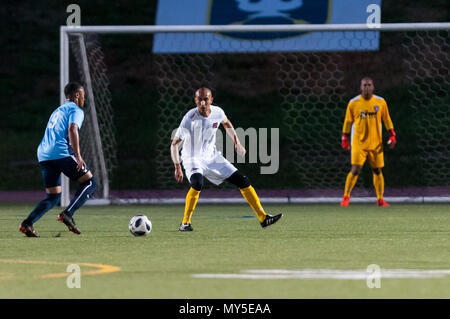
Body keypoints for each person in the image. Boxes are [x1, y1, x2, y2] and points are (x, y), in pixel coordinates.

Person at [170, 87, 283, 231]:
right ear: (195, 100)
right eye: (200, 100)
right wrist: (177, 166)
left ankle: (263, 217)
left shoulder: (218, 112)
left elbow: (226, 123)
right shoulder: (189, 118)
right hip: (192, 158)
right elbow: (174, 144)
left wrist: (237, 142)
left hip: (212, 156)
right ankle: (185, 223)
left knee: (243, 180)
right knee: (197, 182)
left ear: (211, 100)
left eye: (206, 99)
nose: (203, 103)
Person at [19, 82, 97, 237]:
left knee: (53, 197)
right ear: (76, 95)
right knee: (90, 182)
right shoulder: (76, 110)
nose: (83, 98)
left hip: (43, 154)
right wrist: (78, 156)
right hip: (60, 153)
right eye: (82, 95)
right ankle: (68, 213)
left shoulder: (57, 111)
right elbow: (73, 129)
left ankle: (27, 224)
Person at [340, 77, 396, 207]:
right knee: (355, 169)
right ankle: (346, 198)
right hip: (359, 143)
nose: (366, 87)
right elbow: (348, 122)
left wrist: (392, 135)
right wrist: (344, 139)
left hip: (376, 143)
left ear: (373, 87)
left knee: (377, 170)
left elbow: (387, 119)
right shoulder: (353, 103)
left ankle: (380, 200)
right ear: (360, 87)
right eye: (364, 85)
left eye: (369, 85)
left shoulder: (380, 102)